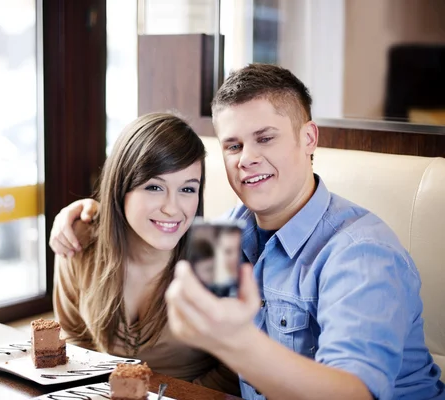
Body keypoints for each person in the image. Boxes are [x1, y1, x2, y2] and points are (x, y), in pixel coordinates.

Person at [49, 64, 445, 400]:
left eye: (265, 138)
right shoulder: (228, 232)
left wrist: (237, 344)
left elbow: (353, 393)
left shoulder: (359, 252)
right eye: (233, 145)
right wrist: (94, 215)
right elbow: (155, 214)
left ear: (308, 138)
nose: (248, 159)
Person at [52, 112, 240, 395]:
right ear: (121, 186)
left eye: (188, 189)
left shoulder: (214, 251)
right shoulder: (79, 238)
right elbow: (73, 338)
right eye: (154, 187)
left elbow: (233, 369)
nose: (172, 208)